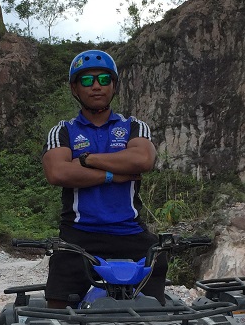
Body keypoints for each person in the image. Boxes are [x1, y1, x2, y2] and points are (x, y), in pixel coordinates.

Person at [41, 49, 167, 308]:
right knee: (57, 314)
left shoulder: (134, 126)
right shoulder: (63, 131)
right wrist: (113, 173)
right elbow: (58, 172)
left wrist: (87, 159)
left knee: (156, 307)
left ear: (114, 85)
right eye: (87, 80)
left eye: (103, 80)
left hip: (130, 231)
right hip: (79, 234)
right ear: (74, 88)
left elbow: (143, 159)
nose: (96, 86)